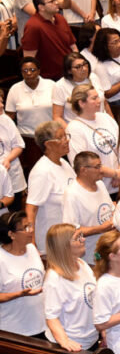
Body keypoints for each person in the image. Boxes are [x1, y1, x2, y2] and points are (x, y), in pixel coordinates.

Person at [43, 224, 98, 352]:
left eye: (81, 236)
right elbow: (51, 317)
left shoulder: (82, 264)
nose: (83, 239)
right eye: (77, 238)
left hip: (91, 339)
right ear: (64, 246)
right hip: (72, 345)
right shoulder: (54, 279)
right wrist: (65, 341)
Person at [25, 121, 76, 252]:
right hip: (51, 245)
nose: (66, 141)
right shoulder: (42, 171)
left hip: (69, 238)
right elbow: (31, 208)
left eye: (66, 136)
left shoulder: (64, 164)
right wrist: (31, 243)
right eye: (61, 138)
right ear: (48, 144)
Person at [0, 211, 45, 338]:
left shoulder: (31, 248)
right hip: (14, 330)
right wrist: (18, 294)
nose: (31, 230)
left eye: (30, 225)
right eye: (26, 228)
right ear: (11, 234)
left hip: (41, 324)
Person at [22, 0, 77, 81]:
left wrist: (76, 65)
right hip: (50, 79)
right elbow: (29, 59)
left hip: (69, 73)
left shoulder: (60, 18)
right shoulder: (33, 26)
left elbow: (73, 46)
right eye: (52, 1)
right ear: (41, 7)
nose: (56, 3)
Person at [7, 57, 57, 136]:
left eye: (32, 70)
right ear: (21, 72)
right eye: (25, 71)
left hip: (51, 135)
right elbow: (9, 116)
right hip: (25, 136)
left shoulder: (51, 85)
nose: (29, 73)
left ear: (39, 71)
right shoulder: (15, 89)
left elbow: (60, 111)